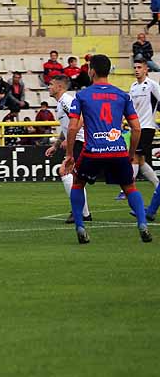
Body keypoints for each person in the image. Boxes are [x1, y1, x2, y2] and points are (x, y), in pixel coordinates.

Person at [66, 55, 151, 244]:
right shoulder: (122, 95)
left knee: (78, 183)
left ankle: (80, 226)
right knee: (129, 187)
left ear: (92, 71)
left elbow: (72, 127)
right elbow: (137, 128)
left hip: (92, 151)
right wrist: (130, 153)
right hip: (118, 150)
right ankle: (142, 223)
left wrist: (70, 155)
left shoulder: (82, 95)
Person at [129, 62, 160, 192]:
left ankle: (127, 188)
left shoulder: (152, 85)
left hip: (147, 126)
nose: (137, 70)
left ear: (146, 69)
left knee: (135, 156)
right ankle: (158, 186)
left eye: (139, 67)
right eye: (135, 68)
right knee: (141, 160)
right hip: (135, 127)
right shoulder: (133, 86)